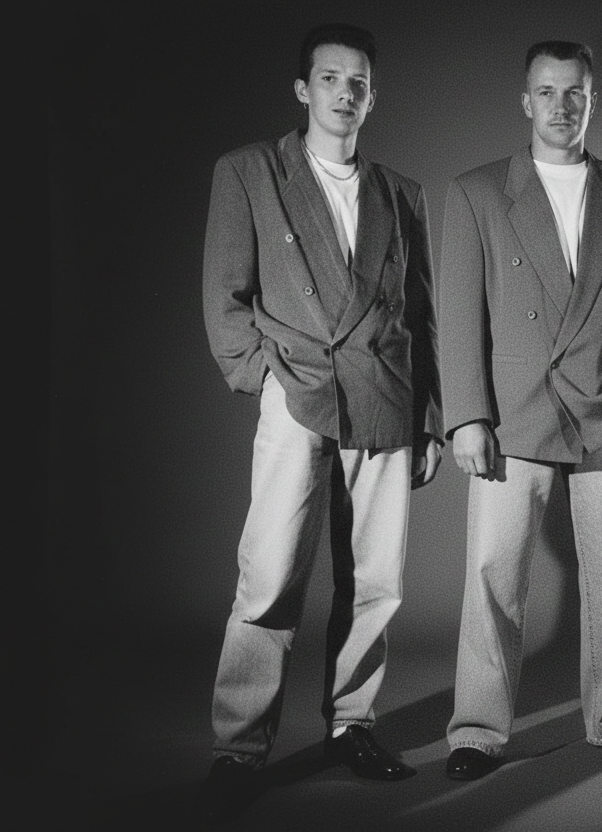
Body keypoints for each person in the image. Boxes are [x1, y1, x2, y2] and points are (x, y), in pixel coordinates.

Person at [196, 22, 442, 822]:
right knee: (269, 573)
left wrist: (430, 417)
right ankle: (239, 746)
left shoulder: (401, 193)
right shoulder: (249, 171)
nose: (345, 92)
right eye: (330, 78)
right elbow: (225, 294)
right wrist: (263, 378)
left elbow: (421, 313)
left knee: (376, 578)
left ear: (372, 97)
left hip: (386, 395)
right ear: (303, 90)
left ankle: (352, 724)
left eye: (358, 82)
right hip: (296, 390)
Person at [438, 40, 602, 781]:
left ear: (592, 100)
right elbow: (458, 314)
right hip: (512, 413)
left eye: (575, 92)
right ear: (525, 101)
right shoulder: (478, 191)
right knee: (493, 575)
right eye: (547, 92)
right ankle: (476, 731)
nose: (561, 106)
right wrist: (466, 416)